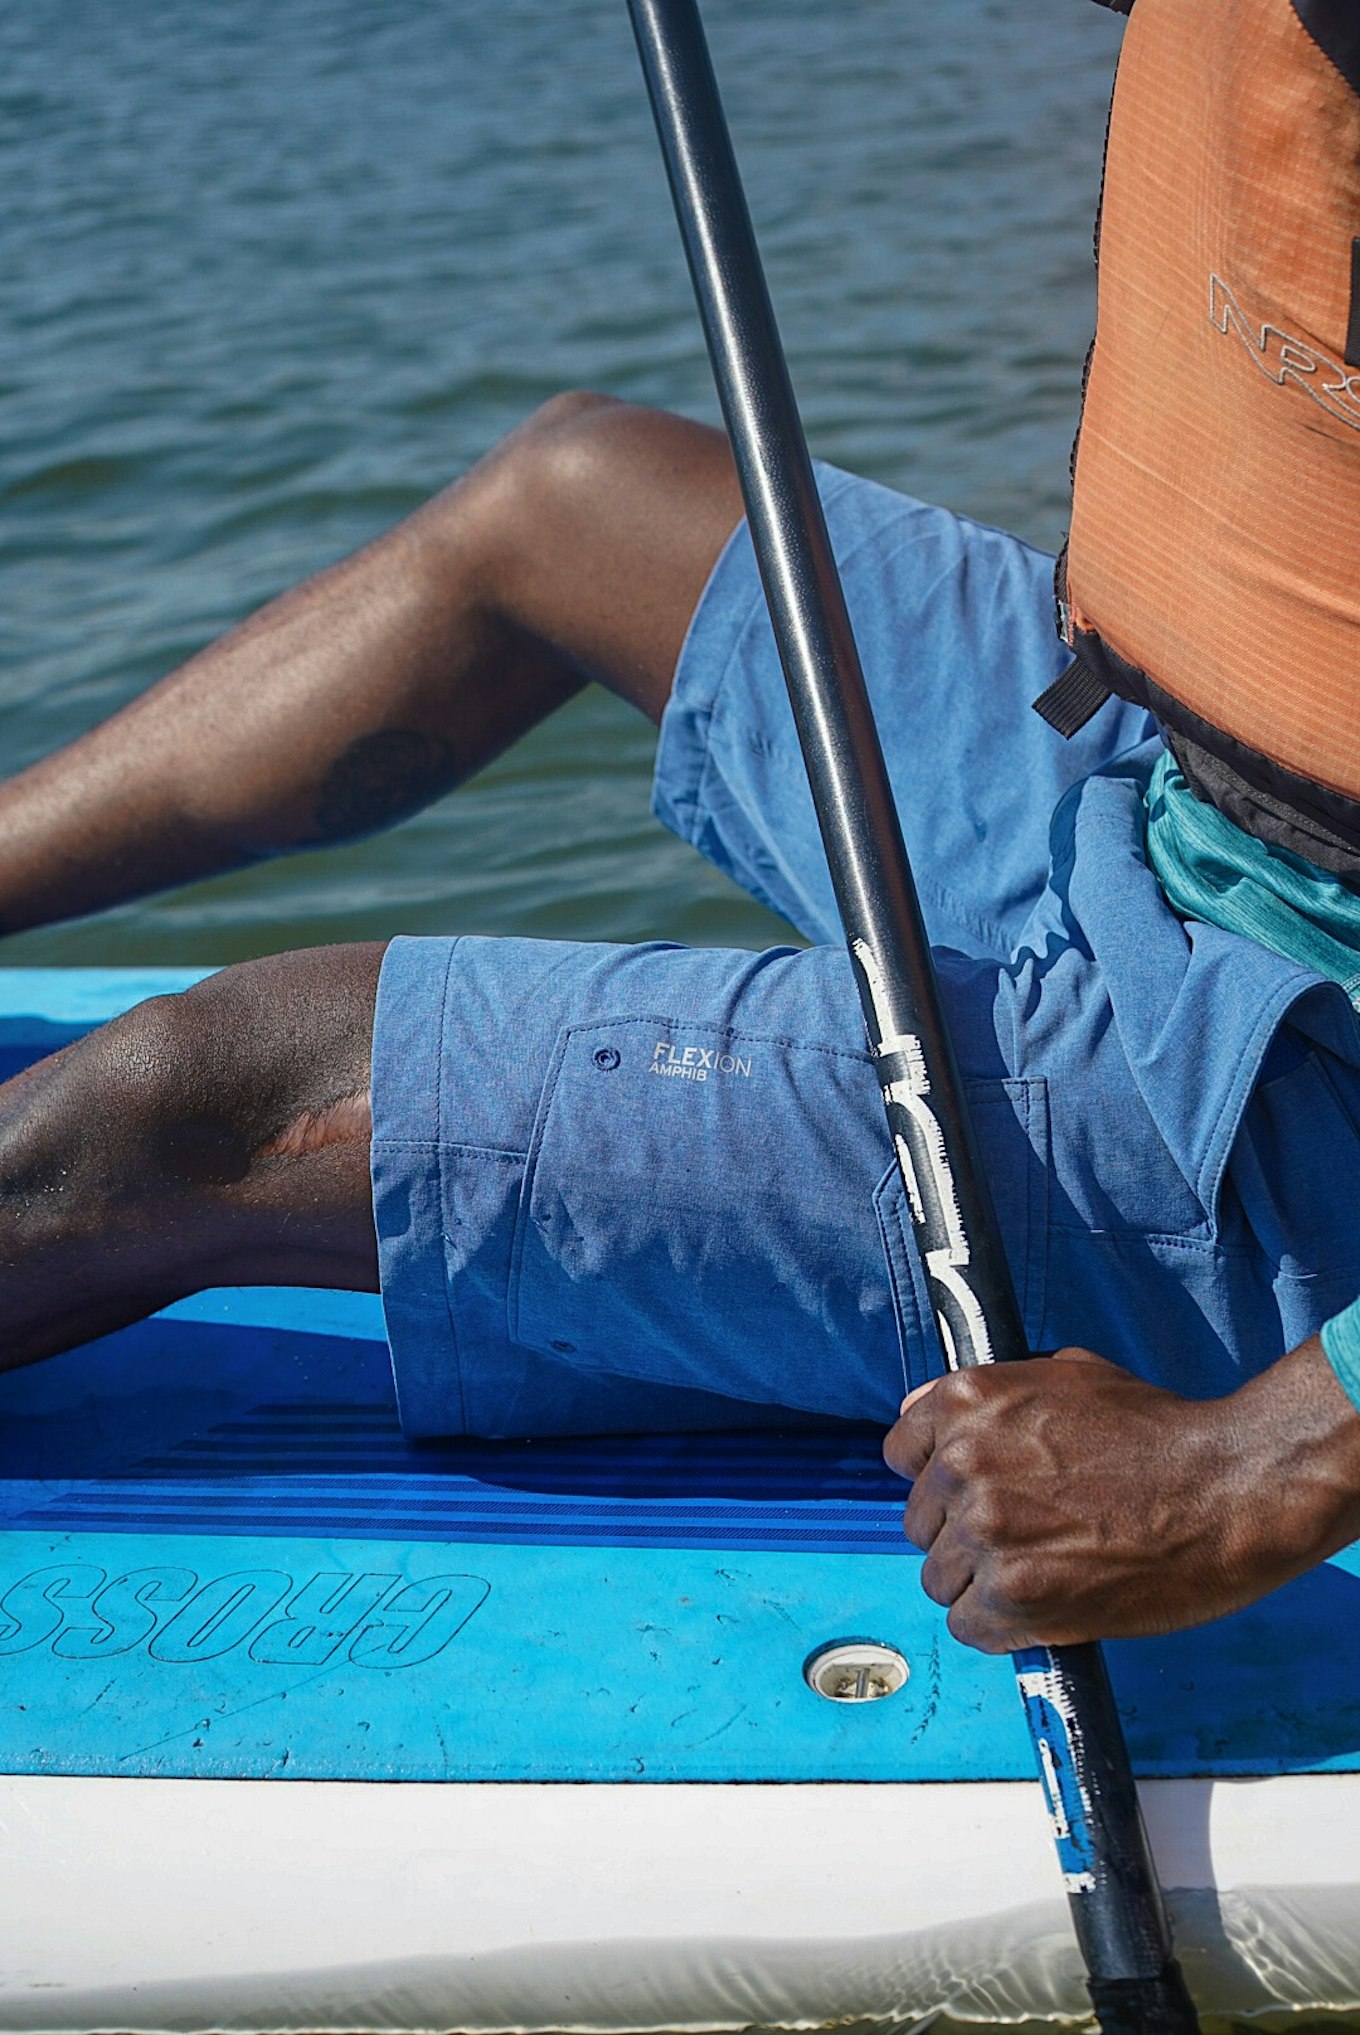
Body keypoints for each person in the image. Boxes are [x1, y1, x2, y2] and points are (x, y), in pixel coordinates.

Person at [3, 0, 1359, 1655]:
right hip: (1171, 793)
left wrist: (1259, 1465)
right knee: (575, 505)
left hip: (1282, 1130)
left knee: (200, 1106)